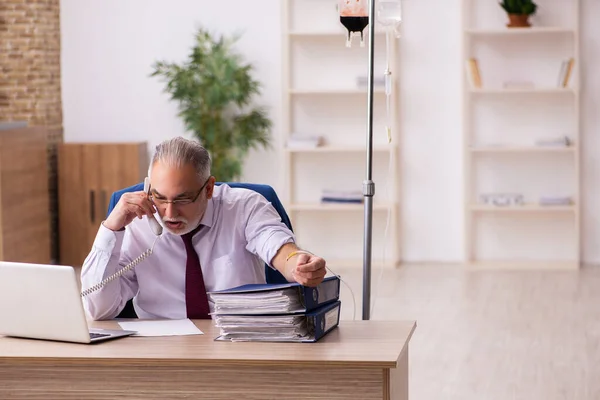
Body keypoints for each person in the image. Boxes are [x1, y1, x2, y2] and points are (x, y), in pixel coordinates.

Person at [80, 136, 327, 320]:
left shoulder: (244, 206)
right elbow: (99, 310)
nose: (169, 212)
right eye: (160, 197)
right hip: (160, 351)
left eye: (183, 199)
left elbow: (276, 245)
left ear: (208, 188)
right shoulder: (137, 221)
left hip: (237, 340)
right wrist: (111, 230)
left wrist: (297, 263)